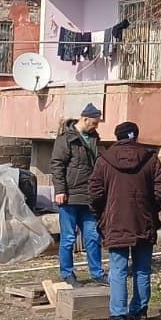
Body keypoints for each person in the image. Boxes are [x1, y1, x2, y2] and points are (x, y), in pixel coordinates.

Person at [88, 121, 161, 320]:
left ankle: (118, 316)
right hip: (144, 221)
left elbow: (95, 193)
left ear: (117, 137)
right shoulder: (150, 158)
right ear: (136, 135)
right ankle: (140, 312)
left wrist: (102, 215)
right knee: (142, 269)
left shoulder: (104, 160)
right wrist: (150, 209)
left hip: (116, 220)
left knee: (118, 270)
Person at [50, 104, 105, 286]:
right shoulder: (66, 139)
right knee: (68, 238)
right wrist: (60, 190)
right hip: (70, 196)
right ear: (85, 119)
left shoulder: (94, 139)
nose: (96, 126)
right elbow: (57, 165)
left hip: (88, 196)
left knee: (93, 236)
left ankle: (97, 273)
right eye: (94, 123)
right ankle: (67, 273)